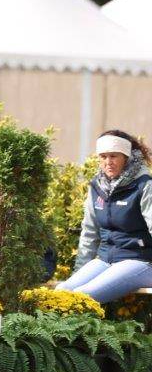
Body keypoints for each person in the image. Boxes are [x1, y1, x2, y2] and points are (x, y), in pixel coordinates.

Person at [56, 129, 152, 302]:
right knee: (62, 291)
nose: (108, 162)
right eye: (103, 156)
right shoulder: (97, 187)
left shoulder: (144, 185)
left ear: (126, 157)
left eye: (114, 156)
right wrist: (79, 271)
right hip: (106, 259)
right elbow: (89, 233)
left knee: (83, 296)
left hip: (140, 261)